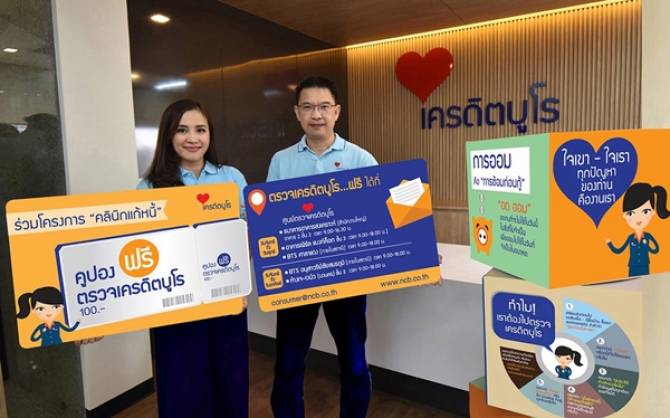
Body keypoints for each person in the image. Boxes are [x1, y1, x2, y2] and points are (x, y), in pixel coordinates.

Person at [268, 76, 377, 418]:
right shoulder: (281, 161)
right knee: (288, 363)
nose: (316, 114)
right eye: (308, 107)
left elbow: (384, 216)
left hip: (348, 279)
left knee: (355, 363)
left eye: (323, 107)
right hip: (298, 279)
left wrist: (421, 252)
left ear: (336, 112)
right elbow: (269, 220)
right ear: (297, 113)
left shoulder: (361, 159)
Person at [138, 99, 248, 418]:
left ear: (210, 134)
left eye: (200, 130)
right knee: (183, 392)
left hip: (226, 304)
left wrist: (242, 284)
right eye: (182, 130)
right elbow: (140, 251)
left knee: (230, 386)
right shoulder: (148, 187)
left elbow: (247, 235)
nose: (192, 138)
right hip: (176, 309)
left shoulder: (231, 178)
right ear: (168, 136)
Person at [606, 183, 669, 276]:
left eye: (645, 211)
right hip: (633, 266)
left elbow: (656, 250)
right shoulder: (630, 238)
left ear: (652, 212)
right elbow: (619, 250)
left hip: (644, 265)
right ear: (624, 215)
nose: (638, 218)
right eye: (631, 213)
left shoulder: (648, 236)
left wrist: (647, 247)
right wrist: (609, 243)